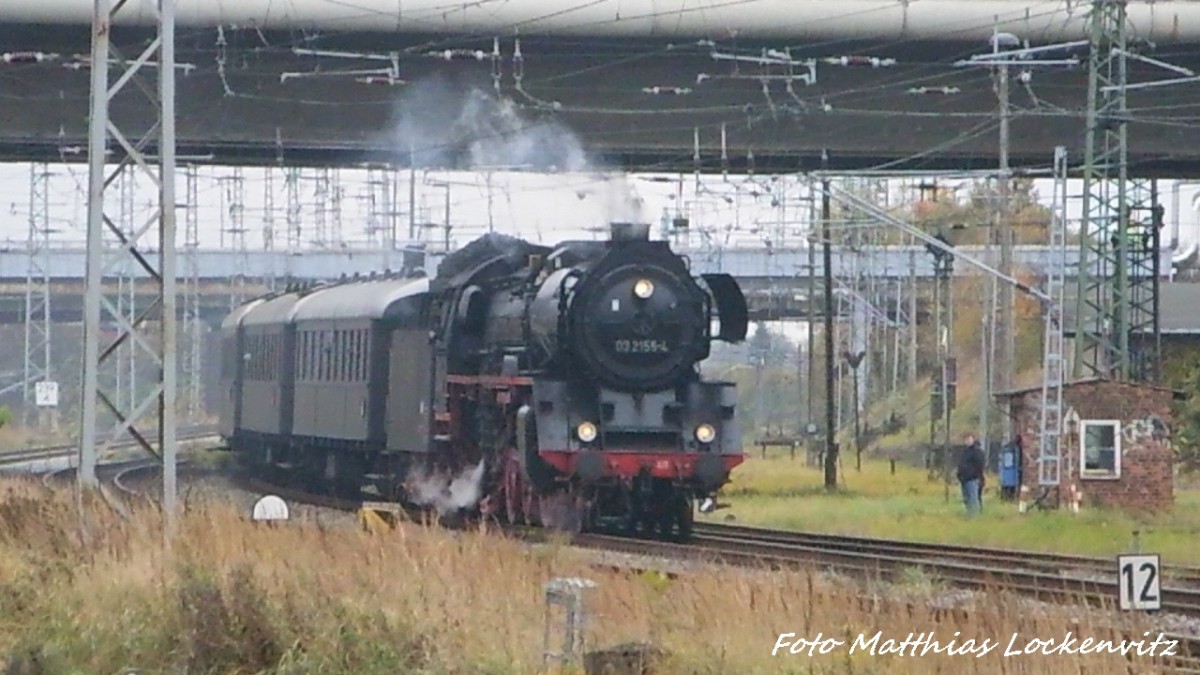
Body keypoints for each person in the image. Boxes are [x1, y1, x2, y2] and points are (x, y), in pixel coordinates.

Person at [956, 433, 985, 516]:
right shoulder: (965, 452)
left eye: (969, 439)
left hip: (973, 479)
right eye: (966, 439)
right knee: (966, 498)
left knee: (973, 498)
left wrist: (975, 475)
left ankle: (974, 516)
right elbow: (961, 464)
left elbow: (980, 465)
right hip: (964, 479)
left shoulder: (977, 451)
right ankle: (969, 514)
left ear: (973, 439)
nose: (967, 441)